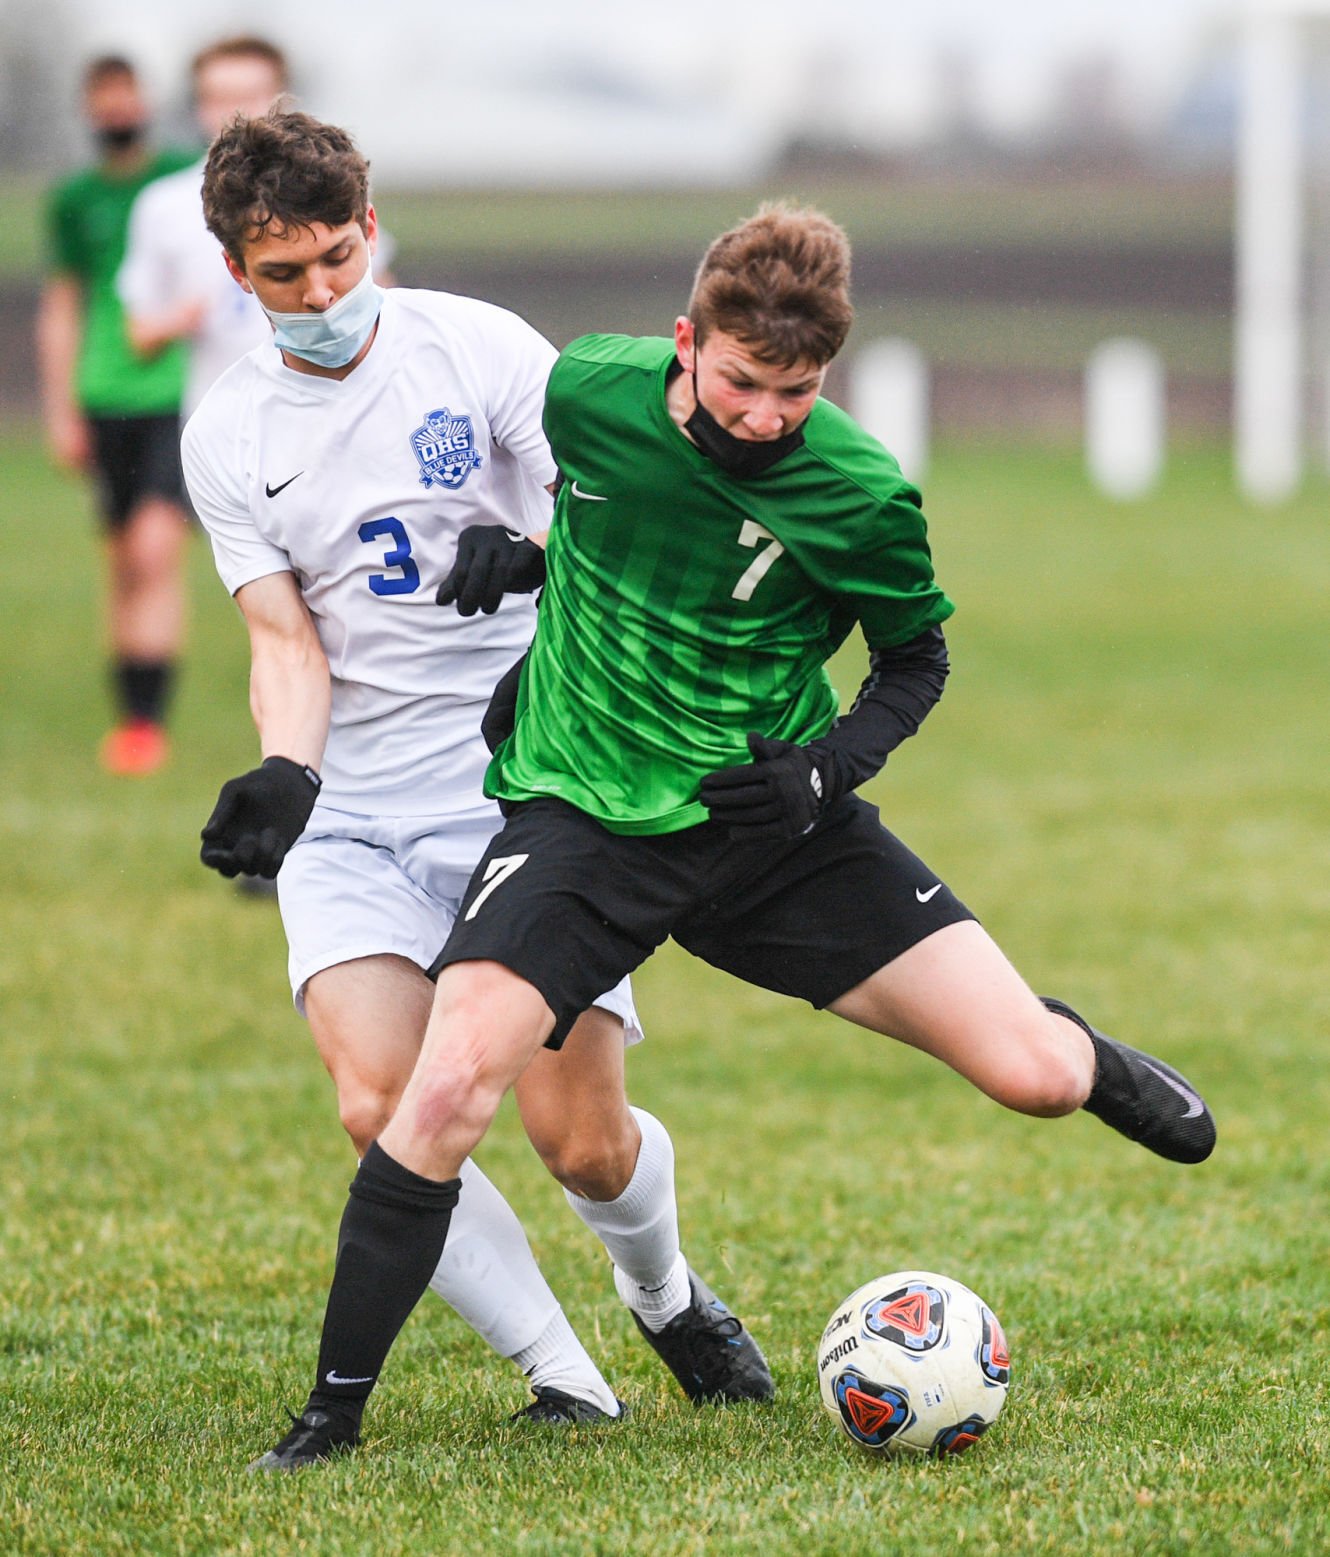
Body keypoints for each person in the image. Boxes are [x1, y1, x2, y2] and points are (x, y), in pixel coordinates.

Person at [254, 201, 1220, 1471]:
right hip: (582, 822)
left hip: (773, 829)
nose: (768, 415)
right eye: (745, 383)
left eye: (798, 391)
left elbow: (916, 658)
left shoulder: (862, 490)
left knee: (1028, 1081)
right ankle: (329, 1417)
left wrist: (827, 772)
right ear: (685, 345)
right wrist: (536, 556)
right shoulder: (591, 389)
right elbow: (603, 512)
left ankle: (1075, 1048)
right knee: (437, 1095)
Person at [181, 110, 772, 1469]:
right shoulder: (232, 436)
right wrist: (287, 770)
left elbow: (618, 520)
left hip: (535, 787)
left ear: (369, 230)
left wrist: (535, 552)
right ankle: (567, 1378)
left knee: (581, 1143)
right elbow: (284, 640)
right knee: (383, 1106)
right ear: (236, 272)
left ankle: (665, 1297)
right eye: (287, 276)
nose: (322, 294)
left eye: (338, 257)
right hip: (363, 816)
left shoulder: (483, 348)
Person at [36, 56, 197, 775]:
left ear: (146, 101)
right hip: (105, 392)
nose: (116, 113)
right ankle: (130, 714)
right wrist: (62, 403)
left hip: (174, 392)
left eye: (125, 99)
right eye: (103, 102)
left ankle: (150, 722)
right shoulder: (74, 200)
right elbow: (64, 303)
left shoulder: (182, 182)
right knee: (123, 563)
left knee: (157, 547)